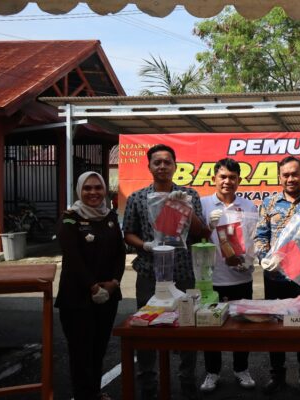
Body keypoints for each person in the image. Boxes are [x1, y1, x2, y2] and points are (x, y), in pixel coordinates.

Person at [122, 144, 207, 400]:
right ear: (149, 166)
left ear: (175, 166)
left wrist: (185, 208)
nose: (162, 166)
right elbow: (128, 233)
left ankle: (187, 383)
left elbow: (201, 232)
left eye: (167, 162)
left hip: (183, 271)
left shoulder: (188, 195)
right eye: (157, 162)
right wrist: (145, 245)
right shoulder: (137, 198)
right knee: (146, 329)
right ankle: (148, 385)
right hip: (149, 273)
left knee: (186, 328)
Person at [254, 155, 300, 395]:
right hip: (275, 276)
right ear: (279, 177)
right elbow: (260, 235)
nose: (291, 178)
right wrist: (264, 258)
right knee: (275, 326)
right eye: (286, 174)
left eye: (295, 174)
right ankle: (277, 374)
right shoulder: (269, 203)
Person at [56, 171, 125, 400]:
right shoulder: (70, 219)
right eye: (87, 188)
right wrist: (93, 286)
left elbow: (120, 253)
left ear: (105, 190)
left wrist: (114, 282)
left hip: (108, 295)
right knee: (80, 352)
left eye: (98, 187)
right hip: (77, 297)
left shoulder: (110, 216)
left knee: (98, 348)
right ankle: (83, 395)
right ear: (79, 190)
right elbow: (73, 257)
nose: (93, 192)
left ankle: (94, 393)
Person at [199, 158, 258, 393]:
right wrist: (209, 227)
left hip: (241, 278)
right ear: (214, 178)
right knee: (210, 329)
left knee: (241, 328)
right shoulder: (202, 204)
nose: (227, 181)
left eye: (232, 177)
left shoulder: (249, 207)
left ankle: (241, 369)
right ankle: (212, 372)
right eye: (222, 176)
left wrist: (249, 261)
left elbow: (254, 240)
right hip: (210, 279)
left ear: (239, 180)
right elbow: (194, 238)